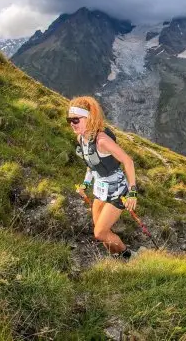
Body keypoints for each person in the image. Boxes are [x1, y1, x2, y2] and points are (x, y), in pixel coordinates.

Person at [69, 96, 138, 260]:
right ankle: (117, 259)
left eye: (76, 120)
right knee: (101, 232)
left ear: (89, 118)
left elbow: (128, 161)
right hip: (100, 190)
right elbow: (91, 165)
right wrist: (85, 185)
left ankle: (130, 257)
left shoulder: (102, 141)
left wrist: (133, 192)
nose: (72, 123)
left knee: (100, 233)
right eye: (69, 120)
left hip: (117, 191)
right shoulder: (81, 139)